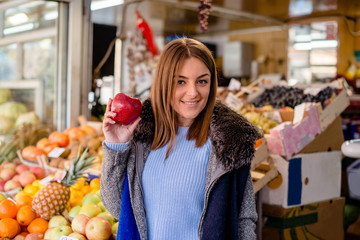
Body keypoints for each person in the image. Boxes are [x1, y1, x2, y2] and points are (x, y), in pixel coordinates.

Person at [101, 37, 262, 240]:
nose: (193, 92)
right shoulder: (142, 138)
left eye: (202, 81)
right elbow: (117, 207)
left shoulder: (231, 145)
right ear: (164, 83)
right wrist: (116, 146)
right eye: (180, 82)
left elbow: (244, 219)